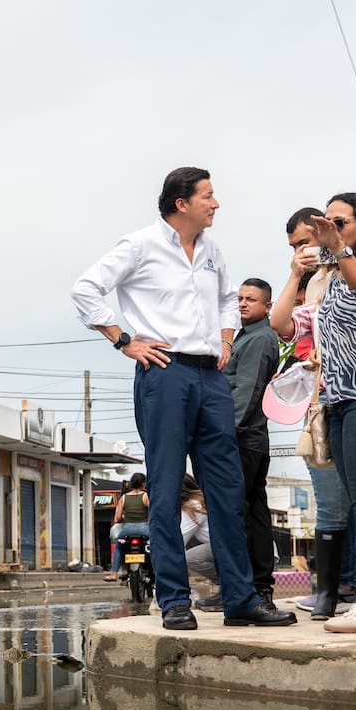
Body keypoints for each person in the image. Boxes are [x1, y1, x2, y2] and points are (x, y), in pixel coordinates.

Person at [70, 166, 295, 631]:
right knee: (168, 488)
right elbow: (85, 289)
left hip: (211, 377)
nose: (216, 204)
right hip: (164, 372)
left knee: (227, 492)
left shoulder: (212, 251)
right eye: (208, 196)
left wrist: (227, 339)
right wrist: (123, 340)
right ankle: (174, 600)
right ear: (182, 203)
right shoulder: (140, 246)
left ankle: (241, 600)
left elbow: (227, 300)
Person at [272, 194, 356, 634]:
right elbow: (282, 325)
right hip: (340, 402)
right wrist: (296, 273)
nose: (330, 228)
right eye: (327, 221)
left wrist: (338, 248)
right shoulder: (328, 280)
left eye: (341, 221)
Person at [222, 277, 280, 607]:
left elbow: (248, 389)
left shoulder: (259, 338)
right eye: (240, 298)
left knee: (239, 514)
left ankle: (248, 589)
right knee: (253, 512)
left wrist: (227, 433)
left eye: (251, 299)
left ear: (267, 306)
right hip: (251, 438)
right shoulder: (245, 336)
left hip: (243, 437)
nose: (243, 304)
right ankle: (256, 589)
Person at [107, 472, 150, 581]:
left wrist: (126, 519)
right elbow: (153, 513)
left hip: (127, 530)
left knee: (119, 547)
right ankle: (159, 573)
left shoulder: (124, 498)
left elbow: (117, 518)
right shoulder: (146, 496)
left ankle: (114, 574)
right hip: (145, 529)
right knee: (155, 546)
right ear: (143, 484)